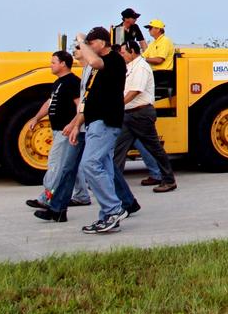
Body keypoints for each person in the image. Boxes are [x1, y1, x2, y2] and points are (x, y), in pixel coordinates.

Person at [64, 26, 130, 234]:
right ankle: (109, 217)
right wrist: (76, 124)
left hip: (105, 121)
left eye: (91, 45)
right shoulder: (97, 70)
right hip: (94, 121)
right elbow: (89, 100)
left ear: (101, 43)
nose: (86, 49)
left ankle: (113, 209)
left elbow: (93, 60)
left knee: (90, 164)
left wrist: (81, 40)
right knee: (104, 167)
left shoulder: (113, 60)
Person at [111, 40, 177, 195]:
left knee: (154, 148)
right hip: (129, 114)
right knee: (118, 149)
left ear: (132, 52)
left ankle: (168, 180)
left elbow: (135, 91)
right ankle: (113, 182)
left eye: (123, 52)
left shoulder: (141, 67)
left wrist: (117, 105)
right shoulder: (130, 67)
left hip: (140, 114)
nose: (122, 55)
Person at [24, 50, 83, 211]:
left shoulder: (72, 82)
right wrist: (36, 118)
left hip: (66, 131)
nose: (51, 65)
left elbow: (80, 106)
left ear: (63, 64)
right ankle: (82, 195)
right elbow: (49, 103)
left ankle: (46, 198)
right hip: (57, 129)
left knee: (55, 164)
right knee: (69, 164)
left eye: (53, 62)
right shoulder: (58, 83)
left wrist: (73, 124)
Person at [135, 18, 173, 184]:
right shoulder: (154, 42)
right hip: (154, 73)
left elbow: (159, 60)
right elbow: (144, 56)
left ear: (158, 29)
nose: (149, 30)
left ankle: (158, 173)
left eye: (151, 28)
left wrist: (141, 60)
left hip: (162, 74)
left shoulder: (164, 42)